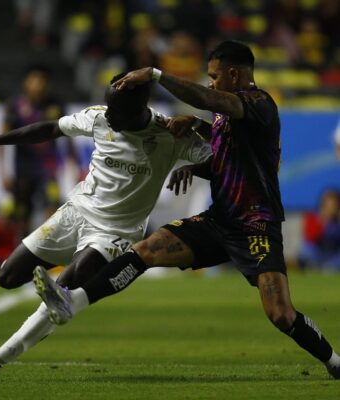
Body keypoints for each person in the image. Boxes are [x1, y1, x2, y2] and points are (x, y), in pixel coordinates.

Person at [33, 41, 340, 379]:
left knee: (281, 314)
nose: (210, 82)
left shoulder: (259, 103)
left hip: (255, 226)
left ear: (234, 74)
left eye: (214, 76)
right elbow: (229, 152)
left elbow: (211, 100)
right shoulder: (228, 112)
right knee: (146, 250)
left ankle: (334, 362)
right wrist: (196, 130)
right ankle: (72, 301)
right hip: (219, 220)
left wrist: (156, 75)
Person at [0, 73, 212, 381]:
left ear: (139, 109)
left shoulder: (171, 135)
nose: (109, 116)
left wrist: (195, 160)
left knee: (61, 294)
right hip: (75, 213)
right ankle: (60, 286)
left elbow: (224, 159)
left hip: (114, 232)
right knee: (7, 277)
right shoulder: (99, 117)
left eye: (116, 112)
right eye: (108, 108)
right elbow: (52, 128)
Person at [0, 65, 65, 241]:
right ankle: (23, 253)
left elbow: (68, 137)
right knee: (21, 216)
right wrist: (3, 173)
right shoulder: (15, 106)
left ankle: (50, 250)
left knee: (53, 212)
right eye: (34, 80)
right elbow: (2, 140)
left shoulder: (55, 105)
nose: (38, 84)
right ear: (26, 83)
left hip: (48, 168)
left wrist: (73, 166)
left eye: (42, 80)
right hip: (23, 170)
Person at [297, 188, 340, 271]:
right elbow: (310, 238)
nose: (332, 207)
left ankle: (326, 268)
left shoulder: (337, 220)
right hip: (318, 252)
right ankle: (315, 266)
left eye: (334, 204)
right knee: (306, 251)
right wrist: (323, 221)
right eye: (329, 204)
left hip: (334, 253)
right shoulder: (313, 217)